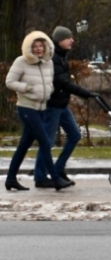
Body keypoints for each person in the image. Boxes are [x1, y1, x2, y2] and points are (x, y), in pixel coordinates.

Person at [6, 31, 64, 191]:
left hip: (41, 108)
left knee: (24, 145)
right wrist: (28, 88)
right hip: (26, 107)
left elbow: (49, 82)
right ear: (29, 47)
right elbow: (10, 82)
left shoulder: (48, 62)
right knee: (45, 142)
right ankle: (56, 179)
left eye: (41, 45)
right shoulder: (21, 61)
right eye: (35, 46)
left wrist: (49, 90)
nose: (38, 49)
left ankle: (10, 179)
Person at [44, 26, 99, 188]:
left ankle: (59, 168)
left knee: (74, 135)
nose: (72, 40)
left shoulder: (61, 58)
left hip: (61, 104)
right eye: (69, 38)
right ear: (59, 40)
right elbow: (62, 82)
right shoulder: (53, 59)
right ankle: (41, 176)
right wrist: (85, 93)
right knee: (46, 141)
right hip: (52, 105)